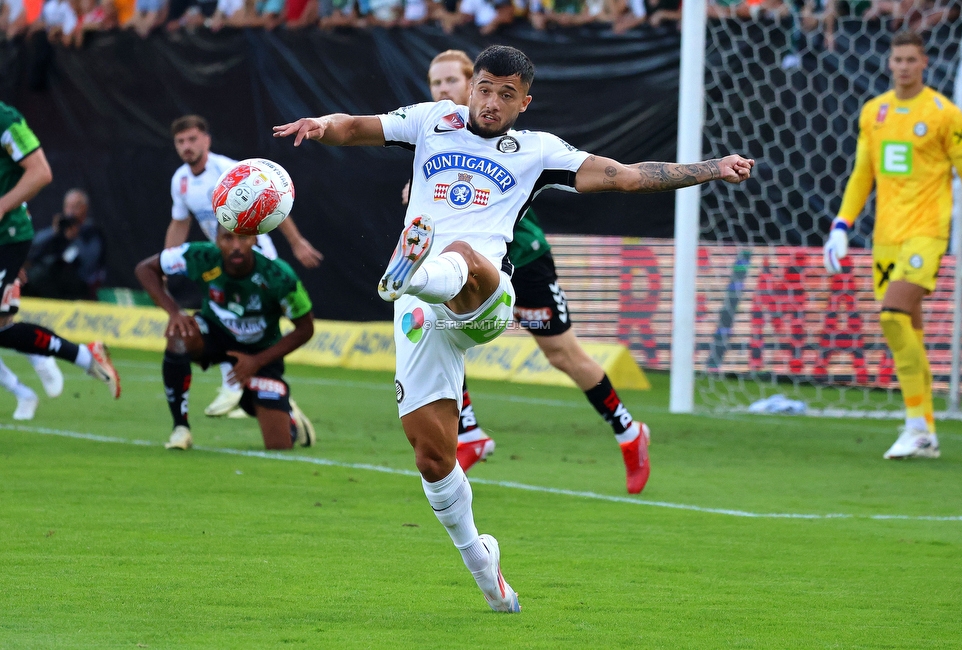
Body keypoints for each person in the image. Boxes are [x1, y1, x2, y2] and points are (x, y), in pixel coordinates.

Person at [274, 44, 753, 612]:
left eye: (507, 94)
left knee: (459, 253)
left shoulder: (537, 152)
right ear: (470, 86)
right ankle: (484, 566)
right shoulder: (431, 121)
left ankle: (416, 271)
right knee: (433, 459)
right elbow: (356, 128)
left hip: (486, 296)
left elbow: (625, 177)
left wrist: (712, 169)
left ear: (525, 102)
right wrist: (321, 124)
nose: (492, 102)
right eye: (485, 88)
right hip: (423, 317)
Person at [409, 50, 652, 495]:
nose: (442, 91)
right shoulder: (433, 132)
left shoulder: (512, 142)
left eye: (450, 81)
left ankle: (628, 431)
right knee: (440, 325)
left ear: (473, 86)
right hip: (464, 271)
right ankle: (470, 432)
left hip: (524, 260)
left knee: (562, 355)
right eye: (435, 83)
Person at [825, 30, 962, 460]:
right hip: (885, 239)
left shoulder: (945, 113)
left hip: (927, 233)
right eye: (898, 59)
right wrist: (841, 224)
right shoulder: (875, 112)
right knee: (908, 329)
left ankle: (915, 425)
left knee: (892, 315)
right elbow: (862, 175)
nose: (904, 66)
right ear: (889, 63)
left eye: (912, 59)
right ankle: (925, 430)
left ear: (924, 62)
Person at [167, 114, 323, 420]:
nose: (187, 146)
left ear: (207, 140)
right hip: (224, 261)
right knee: (227, 318)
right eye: (180, 141)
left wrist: (296, 242)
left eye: (192, 139)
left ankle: (263, 388)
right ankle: (241, 385)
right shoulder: (180, 180)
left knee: (256, 324)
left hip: (255, 257)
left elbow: (272, 201)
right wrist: (169, 260)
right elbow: (179, 221)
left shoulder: (229, 171)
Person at [135, 227, 317, 451]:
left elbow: (305, 329)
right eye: (228, 238)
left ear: (254, 239)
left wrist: (257, 362)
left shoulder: (278, 275)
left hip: (260, 350)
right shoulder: (201, 256)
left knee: (279, 446)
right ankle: (180, 428)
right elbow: (145, 269)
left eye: (243, 238)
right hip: (215, 334)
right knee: (178, 335)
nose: (236, 246)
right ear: (217, 240)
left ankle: (284, 412)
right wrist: (174, 312)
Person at [0, 101, 120, 421]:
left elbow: (40, 172)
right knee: (2, 327)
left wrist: (1, 207)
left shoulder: (6, 120)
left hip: (6, 236)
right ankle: (71, 360)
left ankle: (40, 374)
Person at [26, 188, 106, 301]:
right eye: (68, 206)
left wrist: (76, 238)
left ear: (84, 208)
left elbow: (89, 264)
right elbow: (34, 243)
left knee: (47, 275)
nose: (71, 212)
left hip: (80, 283)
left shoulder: (92, 232)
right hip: (52, 279)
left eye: (75, 207)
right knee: (34, 275)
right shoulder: (59, 229)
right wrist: (54, 232)